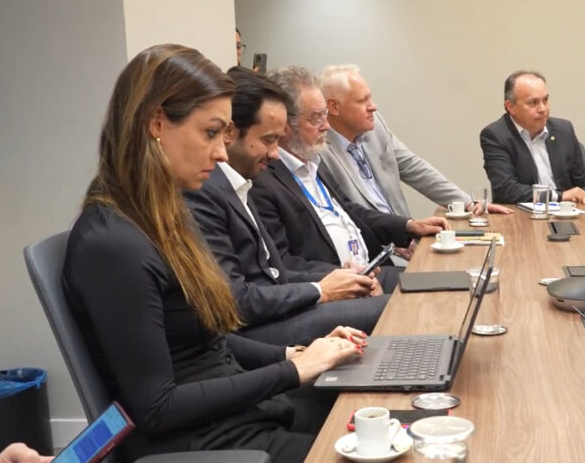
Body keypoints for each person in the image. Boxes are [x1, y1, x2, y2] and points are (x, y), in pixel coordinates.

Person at [63, 44, 366, 462]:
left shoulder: (163, 216)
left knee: (371, 408)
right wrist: (292, 371)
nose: (222, 152)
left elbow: (208, 341)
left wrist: (293, 354)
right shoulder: (112, 245)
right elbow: (158, 408)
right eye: (210, 133)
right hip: (204, 440)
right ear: (156, 123)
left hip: (235, 414)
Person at [185, 67, 387, 344]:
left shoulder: (242, 180)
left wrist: (338, 279)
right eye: (268, 140)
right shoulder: (205, 192)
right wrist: (321, 290)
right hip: (255, 333)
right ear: (231, 133)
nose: (275, 153)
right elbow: (236, 300)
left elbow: (275, 273)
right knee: (393, 308)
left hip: (281, 309)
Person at [251, 66, 448, 274]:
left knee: (447, 275)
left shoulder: (313, 161)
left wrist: (408, 226)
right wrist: (343, 277)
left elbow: (351, 211)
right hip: (339, 282)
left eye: (325, 115)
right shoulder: (264, 182)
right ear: (284, 123)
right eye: (316, 118)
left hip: (371, 268)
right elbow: (283, 264)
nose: (326, 126)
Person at [318, 64, 512, 217]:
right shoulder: (318, 152)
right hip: (370, 247)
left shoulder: (375, 126)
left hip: (404, 236)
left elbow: (413, 167)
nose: (373, 107)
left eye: (371, 98)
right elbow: (345, 214)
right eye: (362, 101)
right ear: (334, 107)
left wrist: (467, 202)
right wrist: (396, 235)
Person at [480, 70, 585, 204]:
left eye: (545, 100)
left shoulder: (564, 130)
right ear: (511, 107)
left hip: (567, 212)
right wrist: (559, 197)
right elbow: (507, 190)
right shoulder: (495, 135)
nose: (543, 109)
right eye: (533, 102)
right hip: (521, 214)